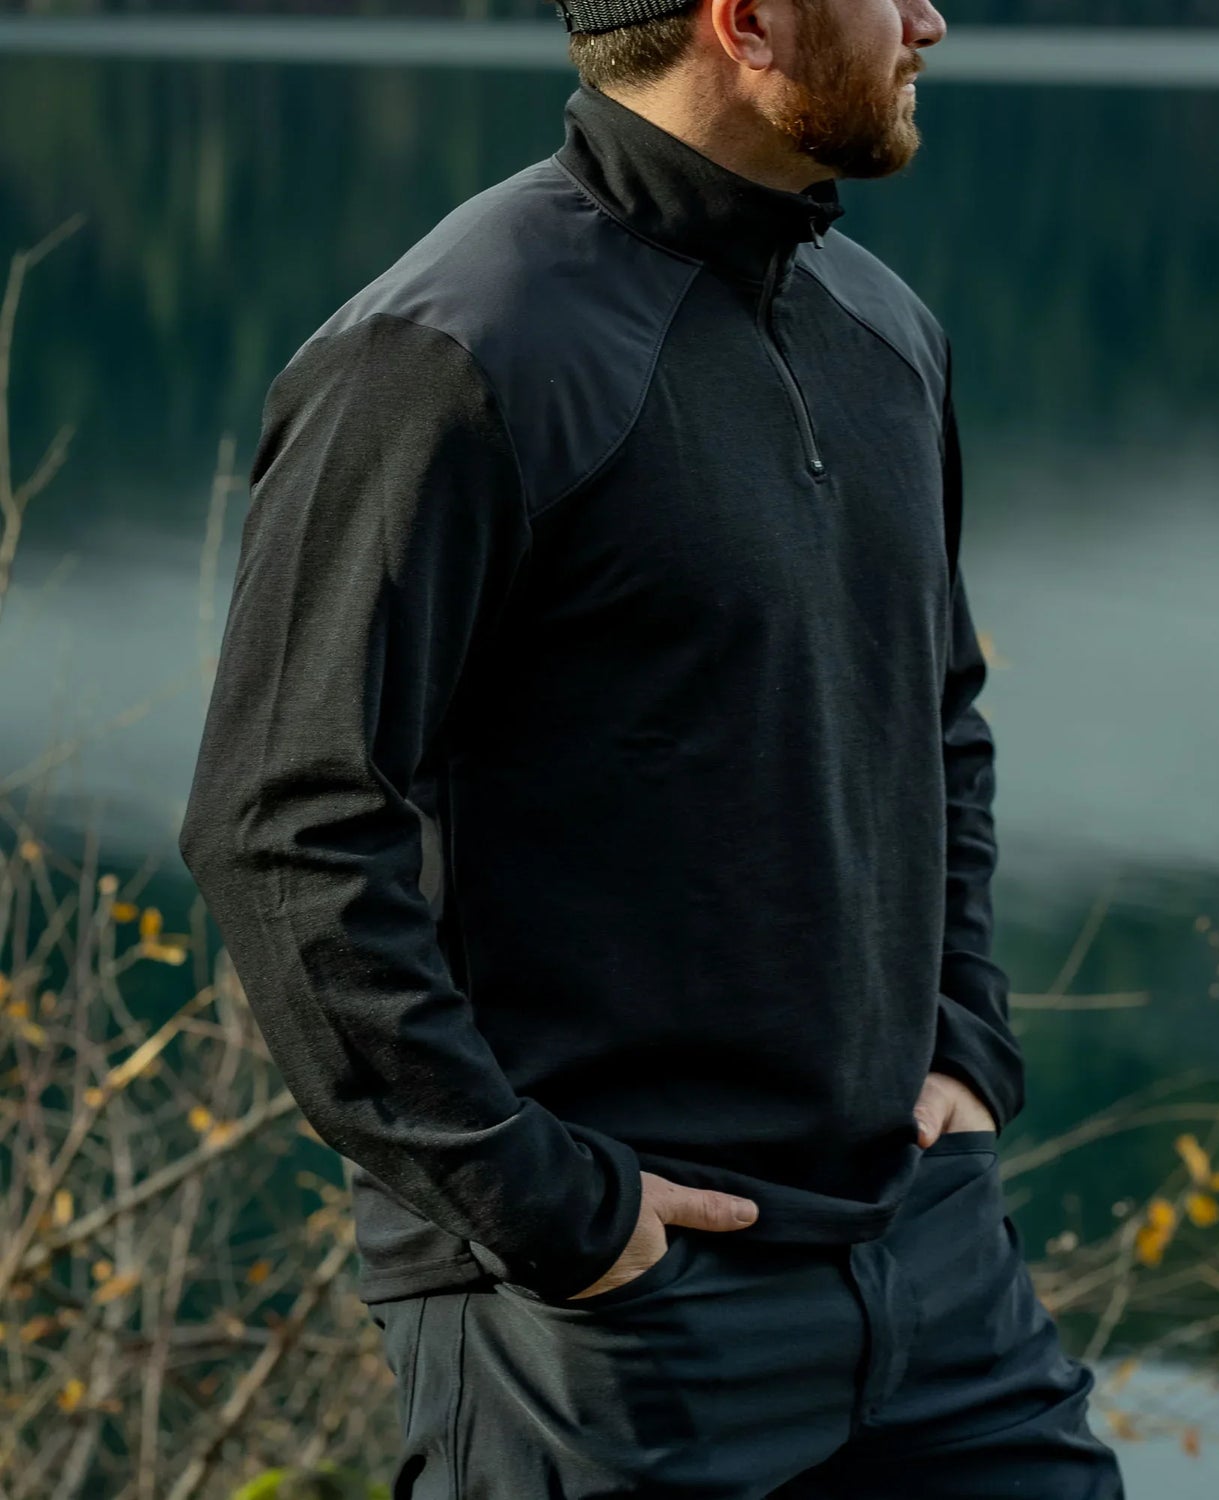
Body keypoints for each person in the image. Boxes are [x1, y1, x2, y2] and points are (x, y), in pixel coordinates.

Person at [177, 0, 1125, 1493]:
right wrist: (541, 1202)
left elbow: (935, 713)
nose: (932, 21)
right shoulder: (448, 352)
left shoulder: (887, 329)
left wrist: (966, 1033)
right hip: (616, 1322)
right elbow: (283, 826)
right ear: (744, 22)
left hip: (931, 1269)